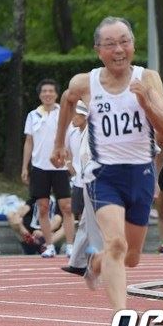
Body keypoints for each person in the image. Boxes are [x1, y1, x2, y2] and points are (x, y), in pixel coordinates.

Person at [50, 16, 163, 326]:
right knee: (116, 242)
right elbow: (66, 100)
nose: (119, 49)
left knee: (131, 257)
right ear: (98, 50)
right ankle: (122, 314)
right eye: (111, 44)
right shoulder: (85, 82)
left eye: (125, 42)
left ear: (132, 45)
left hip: (142, 174)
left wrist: (145, 99)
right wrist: (59, 143)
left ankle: (96, 263)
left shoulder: (149, 78)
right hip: (104, 176)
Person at [22, 78, 75, 258]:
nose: (47, 94)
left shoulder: (64, 113)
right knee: (42, 207)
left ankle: (70, 245)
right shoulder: (32, 115)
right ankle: (49, 245)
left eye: (51, 91)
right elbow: (29, 142)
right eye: (44, 91)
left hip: (60, 166)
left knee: (66, 206)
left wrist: (70, 162)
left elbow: (70, 139)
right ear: (40, 95)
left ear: (56, 94)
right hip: (39, 167)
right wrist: (25, 167)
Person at [61, 101, 104, 276]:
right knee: (87, 222)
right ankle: (78, 263)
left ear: (84, 115)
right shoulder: (79, 132)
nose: (72, 117)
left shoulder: (94, 131)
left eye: (75, 114)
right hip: (87, 181)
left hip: (98, 182)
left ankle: (96, 263)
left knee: (95, 224)